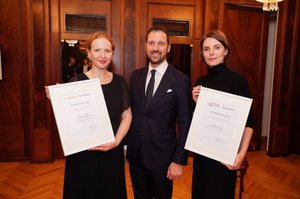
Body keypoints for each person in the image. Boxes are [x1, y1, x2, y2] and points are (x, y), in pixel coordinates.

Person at [46, 32, 132, 199]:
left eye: (107, 51)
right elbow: (68, 120)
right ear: (89, 53)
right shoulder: (75, 81)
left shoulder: (119, 82)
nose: (102, 55)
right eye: (97, 50)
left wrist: (116, 142)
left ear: (113, 53)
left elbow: (127, 115)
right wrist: (56, 100)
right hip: (82, 155)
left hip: (111, 153)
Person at [126, 26, 193, 199]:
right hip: (136, 156)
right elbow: (130, 114)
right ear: (145, 46)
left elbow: (185, 122)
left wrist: (179, 160)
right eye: (151, 43)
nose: (155, 48)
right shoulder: (136, 76)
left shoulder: (180, 80)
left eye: (161, 43)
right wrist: (126, 145)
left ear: (168, 47)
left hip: (163, 158)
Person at [191, 30, 255, 199]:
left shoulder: (237, 81)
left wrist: (241, 155)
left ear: (225, 51)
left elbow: (249, 122)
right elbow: (199, 122)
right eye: (206, 49)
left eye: (216, 47)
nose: (211, 52)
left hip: (224, 159)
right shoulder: (201, 82)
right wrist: (198, 104)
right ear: (202, 53)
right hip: (202, 155)